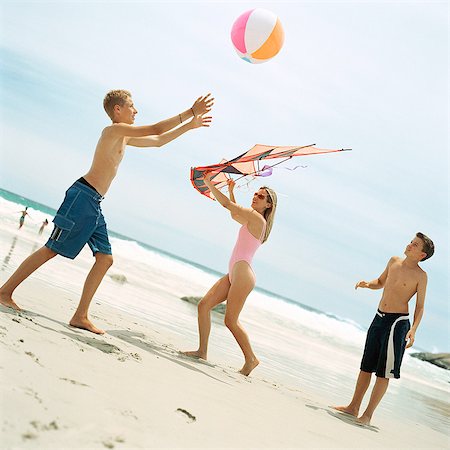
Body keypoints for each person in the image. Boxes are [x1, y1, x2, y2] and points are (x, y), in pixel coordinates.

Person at [0, 90, 214, 334]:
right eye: (132, 106)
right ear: (117, 110)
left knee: (105, 259)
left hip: (94, 203)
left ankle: (80, 315)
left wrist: (189, 126)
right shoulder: (112, 131)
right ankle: (4, 292)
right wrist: (190, 112)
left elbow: (158, 141)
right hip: (82, 197)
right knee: (52, 248)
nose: (136, 111)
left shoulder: (123, 137)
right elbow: (154, 130)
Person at [333, 232, 434, 425]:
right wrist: (367, 284)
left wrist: (413, 329)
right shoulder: (394, 261)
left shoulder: (421, 276)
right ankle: (353, 407)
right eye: (411, 242)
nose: (410, 245)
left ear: (422, 255)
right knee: (366, 366)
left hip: (397, 324)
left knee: (384, 372)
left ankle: (367, 415)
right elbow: (380, 282)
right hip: (378, 318)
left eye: (415, 245)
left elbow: (420, 306)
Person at [183, 176, 277, 376]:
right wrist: (231, 190)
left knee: (230, 321)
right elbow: (234, 214)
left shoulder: (257, 219)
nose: (256, 196)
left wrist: (209, 183)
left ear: (268, 205)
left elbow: (226, 205)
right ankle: (202, 351)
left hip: (243, 275)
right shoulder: (252, 218)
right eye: (256, 193)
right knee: (204, 305)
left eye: (261, 196)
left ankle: (251, 359)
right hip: (235, 272)